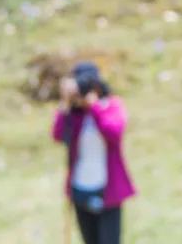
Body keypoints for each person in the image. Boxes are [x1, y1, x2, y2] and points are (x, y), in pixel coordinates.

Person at [52, 62, 135, 244]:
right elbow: (59, 135)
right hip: (80, 187)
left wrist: (94, 107)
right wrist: (64, 104)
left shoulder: (110, 106)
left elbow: (114, 133)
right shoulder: (74, 114)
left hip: (108, 189)